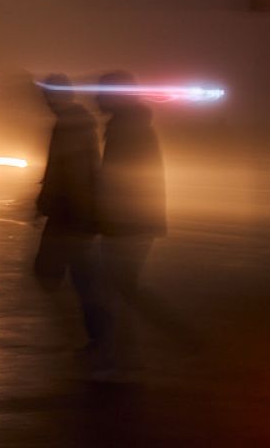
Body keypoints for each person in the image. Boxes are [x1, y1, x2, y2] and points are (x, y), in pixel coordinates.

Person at [95, 70, 170, 369]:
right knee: (120, 289)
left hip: (126, 222)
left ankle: (122, 361)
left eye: (103, 92)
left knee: (118, 290)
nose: (97, 97)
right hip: (134, 220)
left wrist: (103, 215)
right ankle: (119, 358)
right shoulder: (131, 125)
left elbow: (117, 179)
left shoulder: (125, 129)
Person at [33, 73, 110, 358]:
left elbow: (70, 172)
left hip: (70, 214)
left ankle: (94, 337)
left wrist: (48, 203)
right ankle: (95, 336)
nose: (46, 102)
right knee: (78, 277)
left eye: (49, 96)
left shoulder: (70, 124)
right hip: (71, 212)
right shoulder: (75, 122)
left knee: (55, 273)